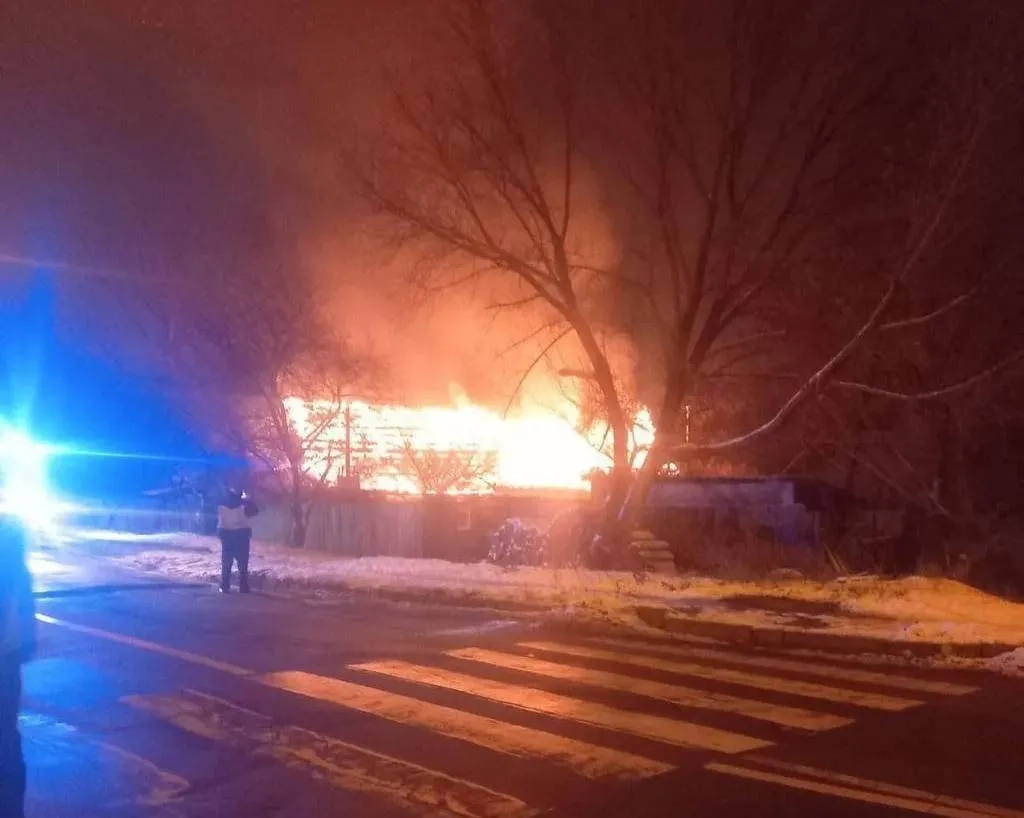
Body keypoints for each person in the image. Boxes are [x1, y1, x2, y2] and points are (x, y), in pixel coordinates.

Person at [0, 513, 35, 818]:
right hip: (9, 659)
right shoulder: (18, 570)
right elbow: (27, 621)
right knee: (8, 736)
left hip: (7, 658)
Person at [217, 488, 258, 593]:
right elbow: (255, 511)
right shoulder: (244, 504)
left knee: (226, 562)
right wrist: (250, 500)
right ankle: (243, 586)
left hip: (227, 534)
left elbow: (220, 521)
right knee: (243, 562)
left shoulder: (221, 503)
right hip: (242, 534)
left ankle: (225, 585)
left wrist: (221, 533)